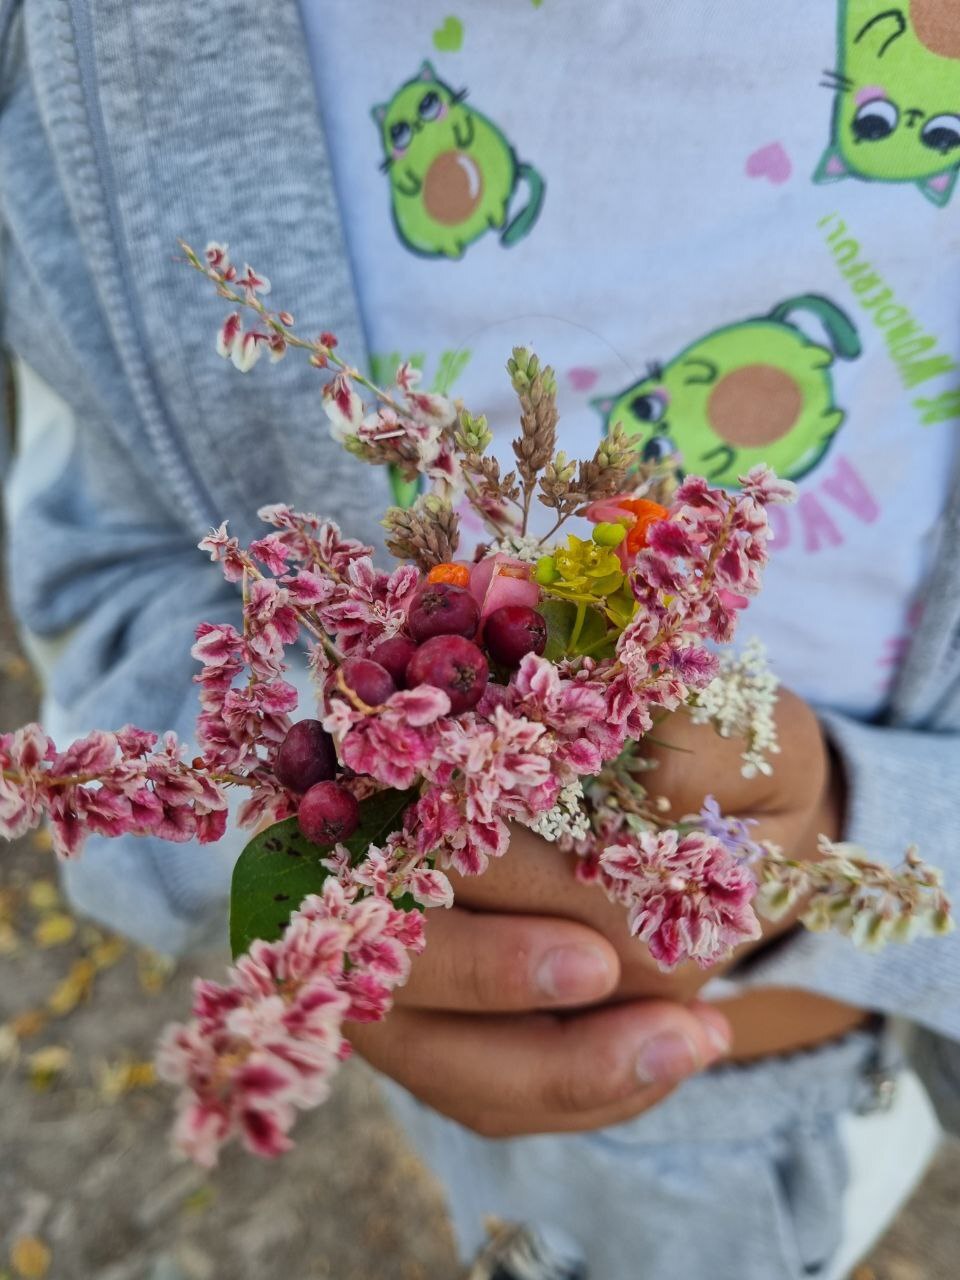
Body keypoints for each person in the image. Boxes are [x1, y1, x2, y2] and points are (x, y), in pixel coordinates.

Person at [0, 2, 957, 1277]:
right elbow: (113, 562)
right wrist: (300, 849)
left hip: (814, 1044)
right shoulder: (81, 50)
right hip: (504, 1088)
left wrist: (863, 818)